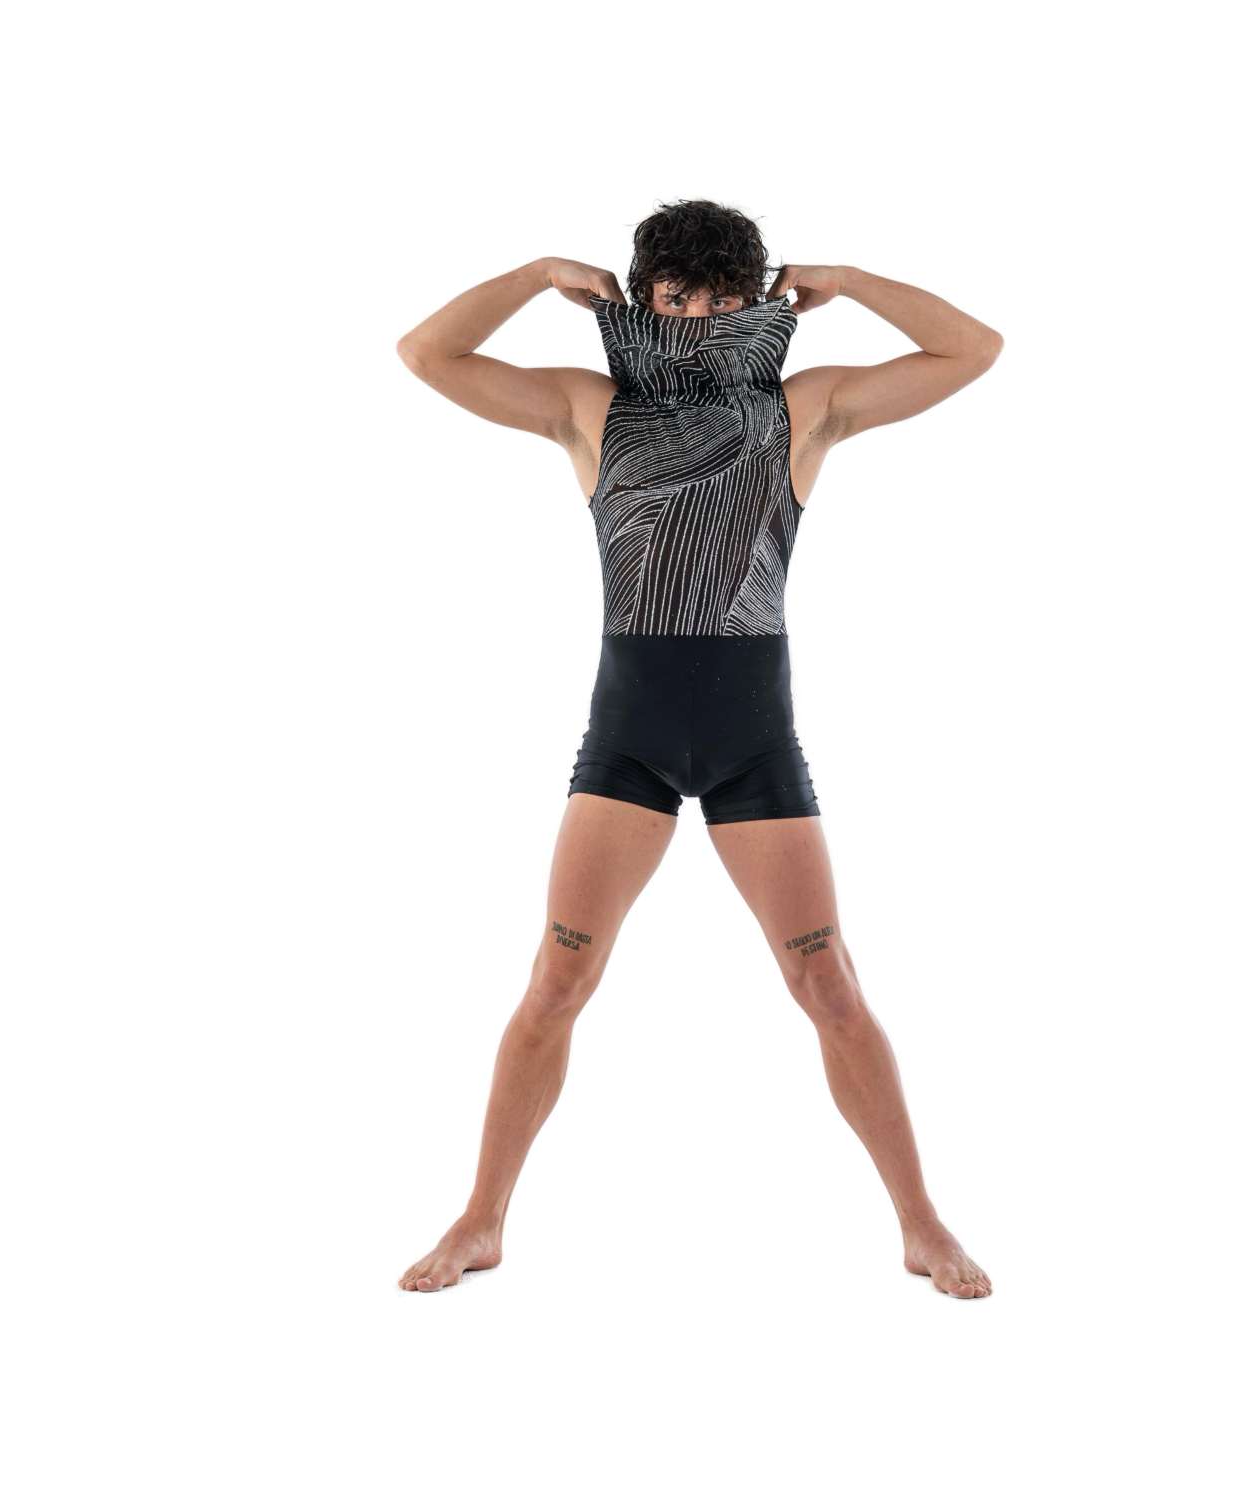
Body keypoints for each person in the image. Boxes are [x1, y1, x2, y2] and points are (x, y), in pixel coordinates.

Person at [394, 199, 1003, 1298]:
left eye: (724, 299)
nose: (701, 319)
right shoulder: (590, 409)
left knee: (827, 981)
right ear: (643, 299)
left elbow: (974, 349)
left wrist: (851, 280)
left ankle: (922, 1224)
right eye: (677, 297)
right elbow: (426, 354)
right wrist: (535, 273)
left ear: (753, 304)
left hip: (751, 738)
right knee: (558, 978)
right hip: (628, 740)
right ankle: (481, 1219)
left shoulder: (801, 409)